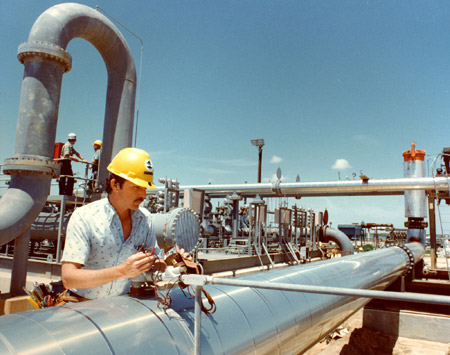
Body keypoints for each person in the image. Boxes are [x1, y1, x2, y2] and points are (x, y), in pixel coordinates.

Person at [61, 147, 160, 299]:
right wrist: (123, 271)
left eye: (145, 188)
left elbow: (155, 263)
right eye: (136, 187)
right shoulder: (85, 217)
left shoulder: (145, 220)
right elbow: (68, 278)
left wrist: (175, 264)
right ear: (115, 185)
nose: (143, 194)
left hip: (120, 306)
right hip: (81, 305)